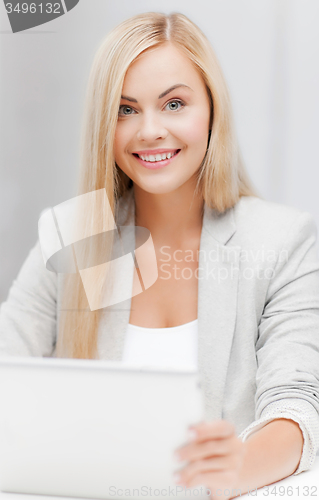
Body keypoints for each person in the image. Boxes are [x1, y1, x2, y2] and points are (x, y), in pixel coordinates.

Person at [1, 11, 319, 500]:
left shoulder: (283, 242)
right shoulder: (70, 237)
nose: (149, 130)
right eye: (125, 109)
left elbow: (297, 409)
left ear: (212, 111)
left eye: (174, 104)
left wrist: (238, 466)